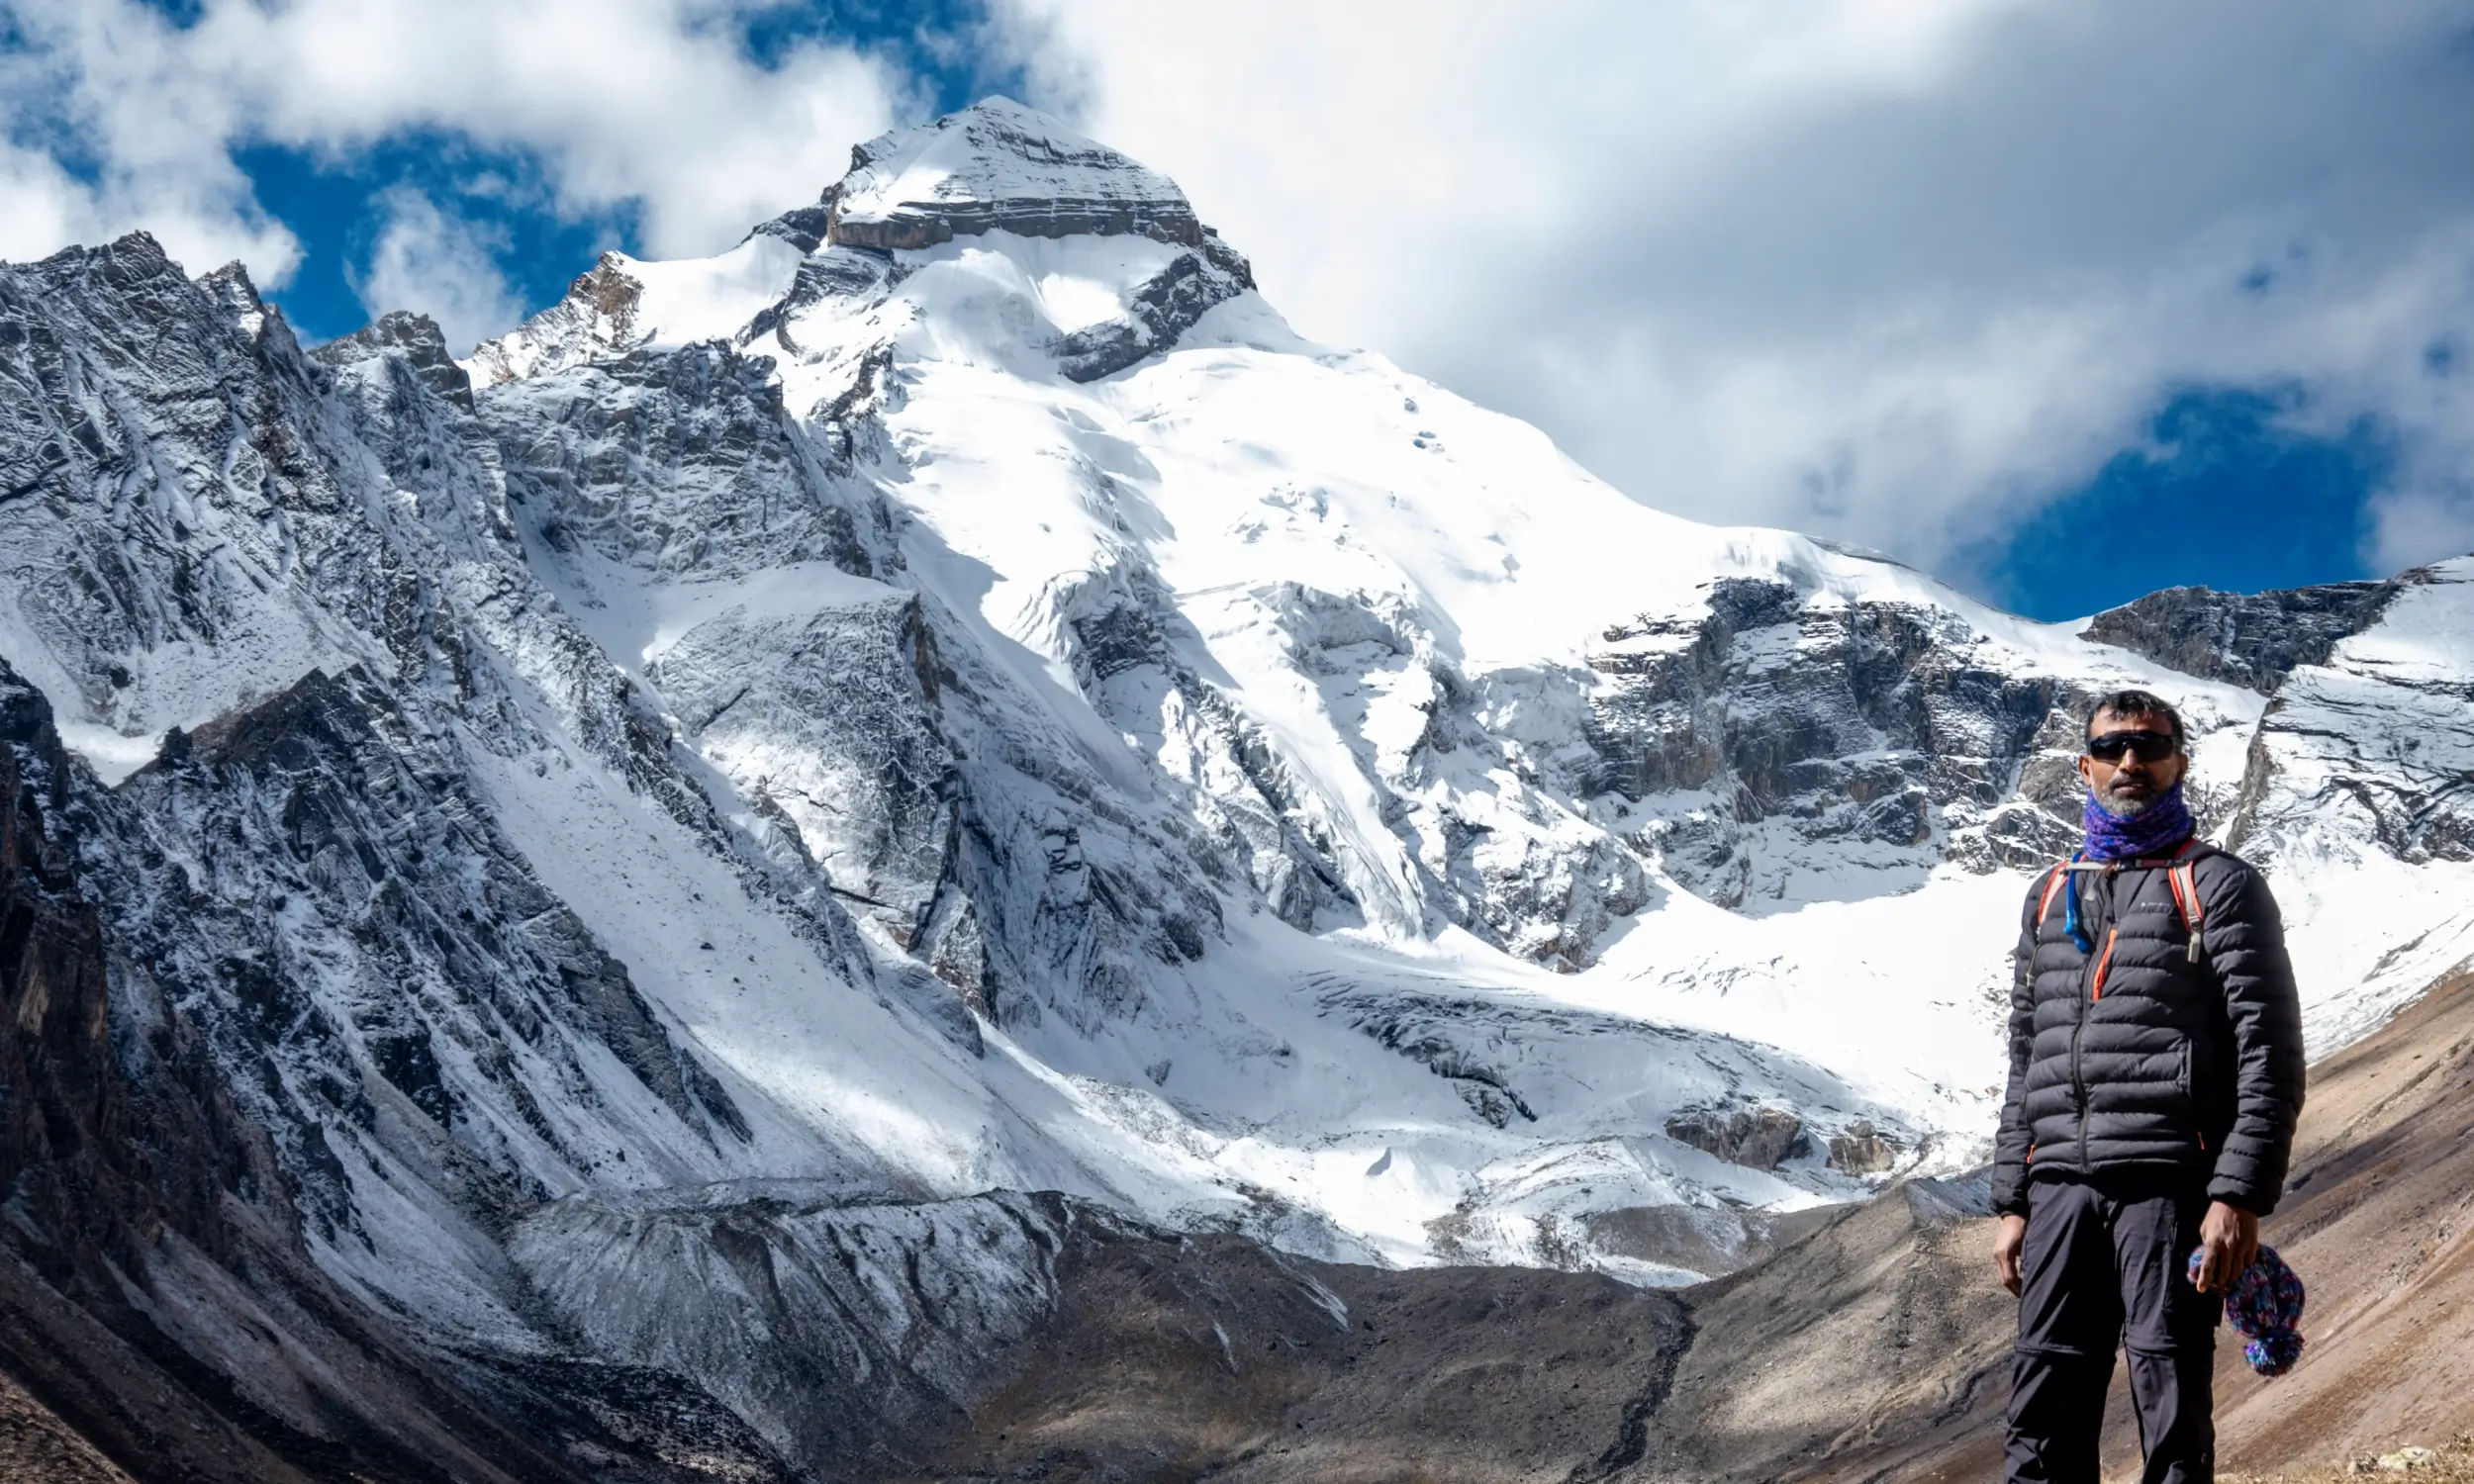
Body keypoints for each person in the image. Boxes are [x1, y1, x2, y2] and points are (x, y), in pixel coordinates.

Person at [1990, 689, 2306, 1484]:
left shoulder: (2219, 886)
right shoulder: (2048, 894)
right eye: (2114, 747)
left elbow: (2271, 1052)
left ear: (2181, 764)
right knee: (2041, 1413)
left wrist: (2238, 1196)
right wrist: (2014, 1199)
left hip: (2170, 1186)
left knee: (2169, 1411)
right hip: (2061, 1186)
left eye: (2151, 747)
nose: (2132, 762)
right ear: (2084, 764)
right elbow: (2027, 1054)